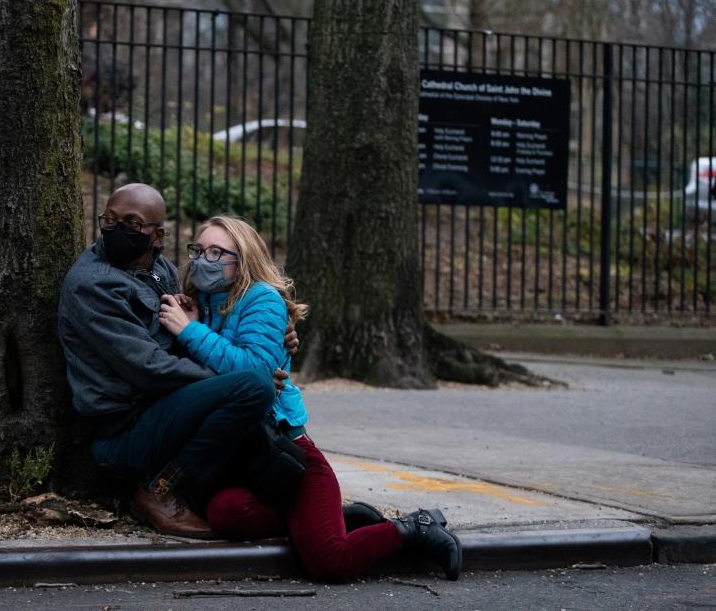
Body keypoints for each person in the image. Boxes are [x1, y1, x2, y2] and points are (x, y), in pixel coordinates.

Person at [157, 215, 463, 582]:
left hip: (285, 450)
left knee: (330, 560)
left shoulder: (262, 301)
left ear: (245, 259)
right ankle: (339, 517)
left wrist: (189, 332)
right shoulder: (199, 303)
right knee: (226, 513)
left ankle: (415, 526)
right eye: (199, 250)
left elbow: (253, 372)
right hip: (241, 457)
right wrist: (194, 324)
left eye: (217, 252)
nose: (203, 260)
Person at [56, 184, 287, 538]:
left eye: (133, 223)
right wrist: (228, 378)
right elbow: (148, 367)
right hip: (125, 429)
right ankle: (159, 488)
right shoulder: (91, 284)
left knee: (260, 428)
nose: (118, 230)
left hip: (165, 411)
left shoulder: (160, 269)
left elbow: (205, 327)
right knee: (253, 387)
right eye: (110, 220)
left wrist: (279, 343)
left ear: (158, 235)